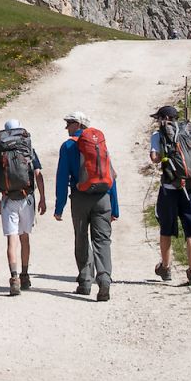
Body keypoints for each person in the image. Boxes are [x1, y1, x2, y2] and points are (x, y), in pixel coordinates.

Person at [52, 110, 119, 300]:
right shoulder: (99, 145)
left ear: (79, 124)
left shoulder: (68, 146)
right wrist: (114, 206)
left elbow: (62, 177)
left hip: (80, 197)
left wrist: (59, 206)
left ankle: (85, 281)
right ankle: (104, 280)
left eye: (70, 123)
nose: (67, 127)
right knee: (103, 240)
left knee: (81, 238)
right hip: (103, 197)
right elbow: (110, 175)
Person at [149, 104, 191, 284]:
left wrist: (165, 158)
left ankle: (166, 268)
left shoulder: (158, 135)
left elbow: (154, 158)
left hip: (169, 189)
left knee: (166, 229)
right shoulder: (189, 132)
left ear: (163, 119)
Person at [0, 118, 45, 295]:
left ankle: (14, 277)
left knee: (11, 240)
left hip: (8, 200)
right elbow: (38, 174)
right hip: (26, 199)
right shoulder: (27, 149)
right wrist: (43, 198)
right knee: (24, 238)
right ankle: (25, 274)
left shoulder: (0, 151)